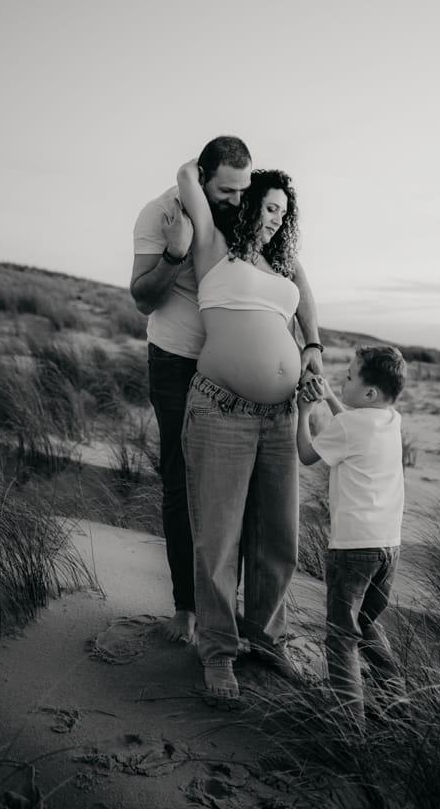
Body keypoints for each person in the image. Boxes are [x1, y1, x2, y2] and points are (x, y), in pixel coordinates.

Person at [130, 137, 322, 647]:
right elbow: (142, 297)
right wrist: (176, 247)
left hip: (267, 404)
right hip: (181, 365)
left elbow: (297, 277)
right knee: (187, 490)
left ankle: (257, 630)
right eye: (231, 190)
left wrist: (313, 343)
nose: (239, 201)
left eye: (247, 191)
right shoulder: (177, 220)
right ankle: (190, 611)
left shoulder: (265, 246)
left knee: (266, 519)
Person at [177, 158, 319, 708]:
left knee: (278, 536)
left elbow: (304, 292)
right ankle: (216, 649)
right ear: (247, 200)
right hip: (221, 411)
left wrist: (312, 347)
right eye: (267, 206)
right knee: (219, 538)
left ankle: (266, 636)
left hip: (282, 417)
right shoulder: (213, 245)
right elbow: (189, 176)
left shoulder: (283, 267)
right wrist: (226, 165)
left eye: (283, 213)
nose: (274, 220)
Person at [296, 345, 407, 728]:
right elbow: (352, 429)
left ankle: (350, 727)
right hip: (388, 547)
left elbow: (308, 455)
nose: (343, 380)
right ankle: (398, 701)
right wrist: (328, 395)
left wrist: (305, 410)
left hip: (353, 549)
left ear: (370, 393)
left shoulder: (348, 427)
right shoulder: (390, 420)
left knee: (341, 637)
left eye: (349, 377)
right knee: (368, 624)